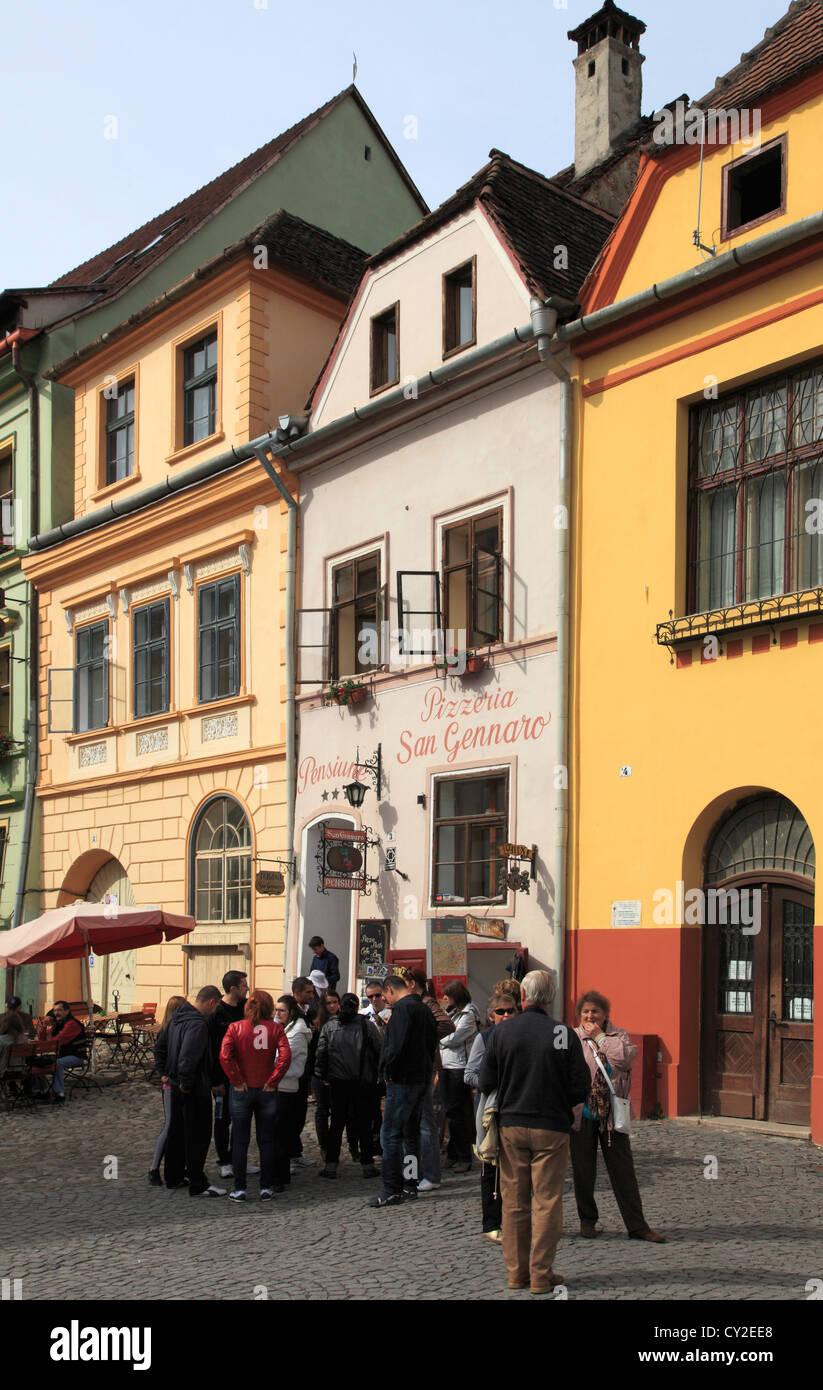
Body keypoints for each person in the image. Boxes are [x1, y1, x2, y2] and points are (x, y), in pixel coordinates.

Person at [479, 970, 590, 1294]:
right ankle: (541, 1273)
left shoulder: (503, 1031)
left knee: (513, 1203)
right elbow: (580, 1085)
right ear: (550, 997)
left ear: (522, 997)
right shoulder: (562, 1033)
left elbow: (486, 1083)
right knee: (547, 1201)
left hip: (512, 1124)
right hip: (551, 1127)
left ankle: (516, 1272)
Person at [570, 989, 665, 1243]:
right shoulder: (572, 1037)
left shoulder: (617, 1035)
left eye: (595, 1012)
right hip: (582, 1114)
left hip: (612, 1115)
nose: (590, 1016)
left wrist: (600, 1037)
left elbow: (623, 1058)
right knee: (583, 1170)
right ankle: (587, 1221)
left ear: (605, 1015)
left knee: (623, 1170)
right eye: (585, 1012)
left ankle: (637, 1225)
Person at [369, 973, 438, 1209]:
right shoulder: (425, 1010)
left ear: (389, 990)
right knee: (410, 1135)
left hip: (402, 1080)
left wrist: (386, 1073)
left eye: (385, 995)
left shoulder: (402, 1011)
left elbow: (394, 1047)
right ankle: (410, 1184)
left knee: (390, 1134)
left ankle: (391, 1188)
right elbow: (431, 1046)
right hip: (421, 1079)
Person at [219, 989, 292, 1201]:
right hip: (266, 1089)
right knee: (266, 1139)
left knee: (240, 1140)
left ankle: (240, 1188)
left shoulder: (235, 1027)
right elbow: (285, 1057)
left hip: (242, 1089)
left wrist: (236, 1079)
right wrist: (273, 1080)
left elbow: (225, 1056)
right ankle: (265, 1186)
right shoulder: (276, 1028)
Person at [154, 985, 226, 1197]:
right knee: (198, 1136)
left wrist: (165, 1073)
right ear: (211, 1002)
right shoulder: (197, 1025)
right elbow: (189, 1057)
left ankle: (174, 1176)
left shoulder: (177, 1018)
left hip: (175, 1086)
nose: (215, 1011)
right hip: (193, 1088)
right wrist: (186, 1083)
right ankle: (197, 1182)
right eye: (216, 1006)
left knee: (177, 1133)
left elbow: (160, 1048)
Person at [465, 991, 518, 1241]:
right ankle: (491, 1223)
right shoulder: (484, 1039)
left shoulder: (522, 1038)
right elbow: (470, 1074)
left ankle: (515, 1220)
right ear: (490, 1016)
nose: (506, 1015)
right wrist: (494, 1084)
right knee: (491, 1168)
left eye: (511, 1011)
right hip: (489, 1110)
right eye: (501, 1012)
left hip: (516, 1109)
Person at [315, 992, 382, 1179]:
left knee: (336, 1124)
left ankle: (331, 1165)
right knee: (363, 1123)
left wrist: (322, 1074)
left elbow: (321, 1054)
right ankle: (367, 1164)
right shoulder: (366, 1026)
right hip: (362, 1081)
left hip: (338, 1082)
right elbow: (380, 1050)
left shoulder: (330, 1026)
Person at [405, 969, 454, 1193]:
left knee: (427, 1124)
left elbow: (446, 1024)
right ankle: (418, 1172)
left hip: (428, 1068)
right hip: (418, 1067)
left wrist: (423, 1035)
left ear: (412, 983)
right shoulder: (419, 1002)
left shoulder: (427, 1003)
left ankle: (431, 1174)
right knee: (418, 1123)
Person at [210, 970, 250, 1180]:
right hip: (222, 1077)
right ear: (233, 988)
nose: (247, 988)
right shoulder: (217, 1013)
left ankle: (238, 1157)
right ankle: (224, 1161)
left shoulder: (244, 1009)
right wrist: (216, 1080)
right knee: (222, 1119)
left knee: (241, 1118)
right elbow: (212, 1049)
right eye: (244, 985)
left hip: (242, 1075)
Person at [439, 980, 479, 1173]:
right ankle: (454, 1153)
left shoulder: (469, 1014)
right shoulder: (452, 1012)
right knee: (452, 1112)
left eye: (447, 994)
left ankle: (463, 1155)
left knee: (457, 1113)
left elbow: (454, 1038)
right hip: (446, 1065)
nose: (444, 998)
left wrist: (438, 1038)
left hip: (459, 1066)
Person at [273, 995, 312, 1189]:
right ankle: (280, 1172)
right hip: (278, 1084)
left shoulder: (296, 1032)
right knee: (279, 1131)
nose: (277, 1014)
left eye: (281, 1011)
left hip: (287, 1085)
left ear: (291, 1013)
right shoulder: (283, 1028)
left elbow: (281, 1059)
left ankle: (280, 1175)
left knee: (281, 1131)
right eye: (276, 1010)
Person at [148, 995, 186, 1186]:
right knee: (169, 1125)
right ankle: (154, 1168)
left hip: (176, 1083)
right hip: (170, 1085)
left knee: (177, 1126)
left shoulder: (175, 1028)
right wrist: (163, 1073)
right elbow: (159, 1052)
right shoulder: (168, 1030)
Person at [290, 976, 318, 1166]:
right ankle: (290, 1154)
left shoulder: (309, 1010)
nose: (311, 995)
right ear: (297, 993)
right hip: (293, 1071)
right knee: (291, 1115)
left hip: (305, 1069)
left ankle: (295, 1151)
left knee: (299, 1113)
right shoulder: (290, 1012)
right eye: (308, 992)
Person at [42, 1001, 88, 1103]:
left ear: (67, 1011)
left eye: (59, 1010)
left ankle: (59, 1093)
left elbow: (57, 1041)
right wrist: (44, 1026)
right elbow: (43, 1039)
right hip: (61, 1055)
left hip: (76, 1056)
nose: (56, 1013)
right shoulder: (58, 1023)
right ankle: (42, 1090)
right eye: (55, 1011)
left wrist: (48, 1037)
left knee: (57, 1064)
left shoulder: (72, 1024)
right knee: (38, 1062)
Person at [313, 990, 340, 1157]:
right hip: (320, 1073)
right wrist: (321, 1074)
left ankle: (333, 1144)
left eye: (334, 1002)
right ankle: (324, 1145)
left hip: (338, 1072)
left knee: (337, 1110)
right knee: (322, 1109)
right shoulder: (318, 1024)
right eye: (328, 1003)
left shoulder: (344, 1021)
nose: (332, 1006)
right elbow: (316, 1052)